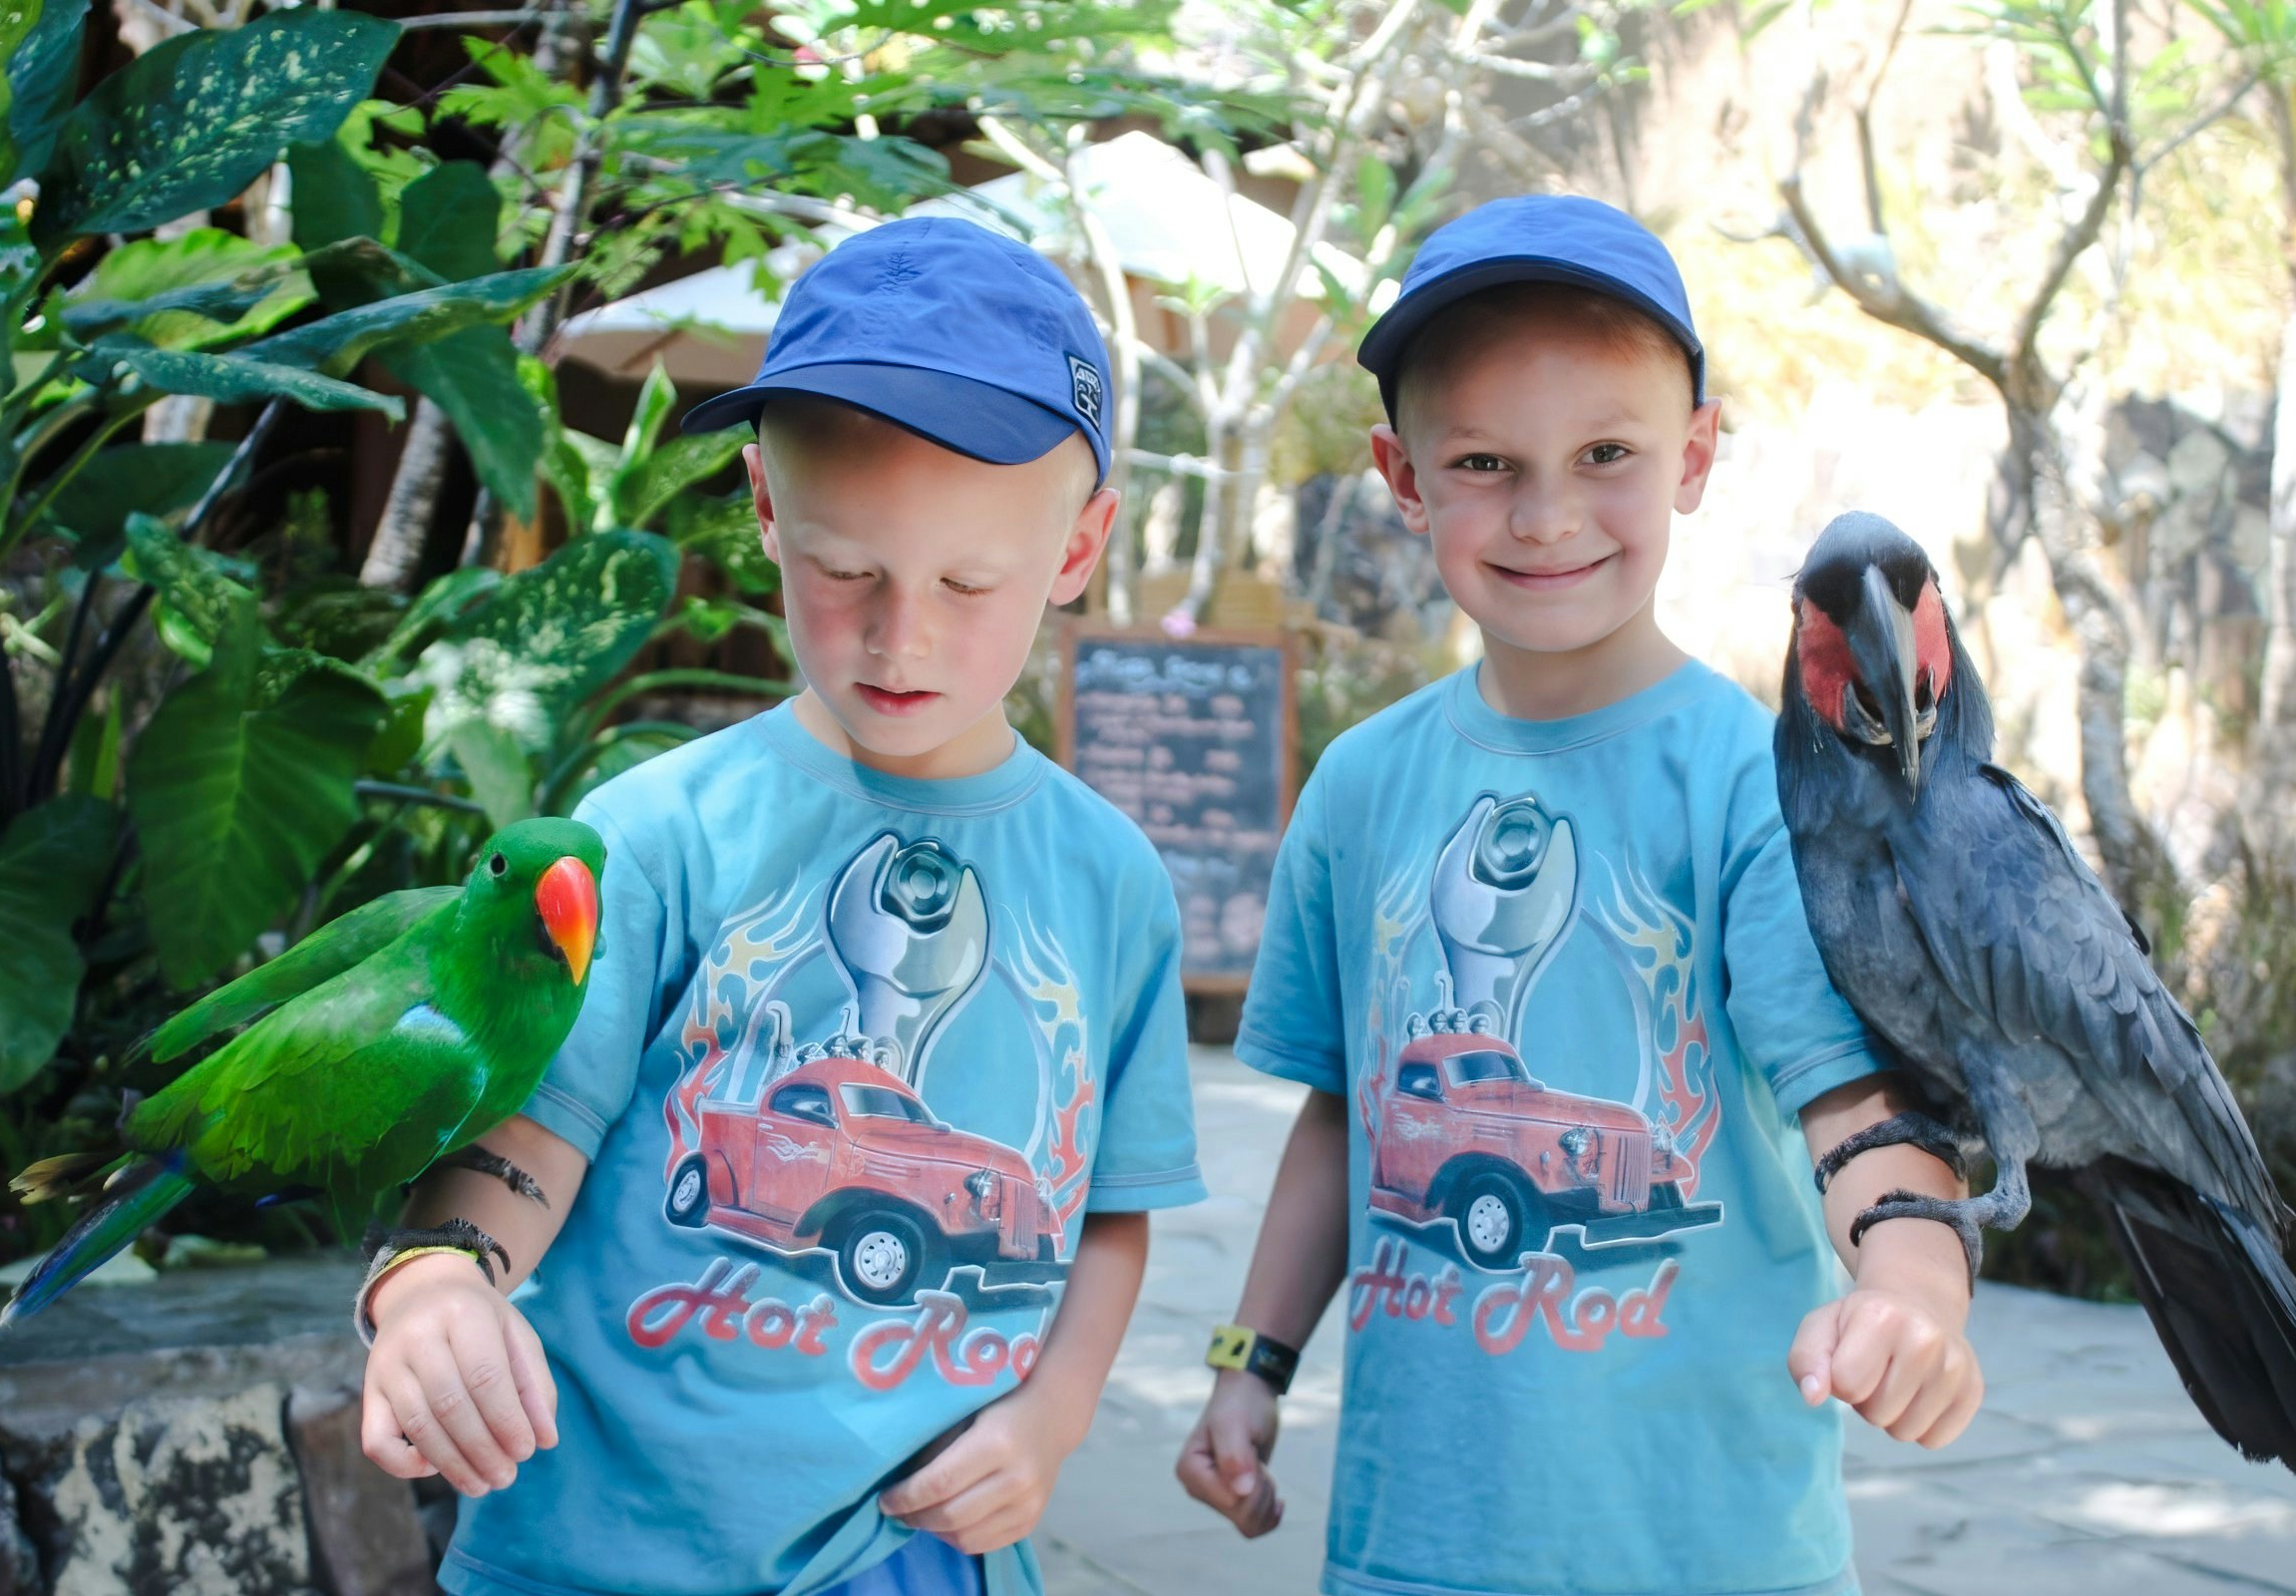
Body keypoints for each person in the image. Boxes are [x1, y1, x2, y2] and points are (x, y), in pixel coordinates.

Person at [355, 216, 1206, 1596]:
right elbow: (528, 1137)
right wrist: (439, 1279)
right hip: (606, 1552)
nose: (899, 634)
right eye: (845, 569)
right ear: (764, 508)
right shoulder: (655, 835)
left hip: (922, 1552)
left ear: (1080, 544)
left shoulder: (1111, 880)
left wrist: (1051, 1422)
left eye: (967, 583)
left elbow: (1111, 1209)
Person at [1174, 196, 1985, 1596]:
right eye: (1485, 462)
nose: (1547, 516)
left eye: (1605, 454)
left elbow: (1855, 1098)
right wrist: (1255, 1363)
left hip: (1706, 1542)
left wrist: (1917, 1285)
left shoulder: (1757, 780)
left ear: (1696, 455)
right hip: (1414, 1540)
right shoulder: (1361, 785)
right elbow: (1344, 1115)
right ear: (1403, 473)